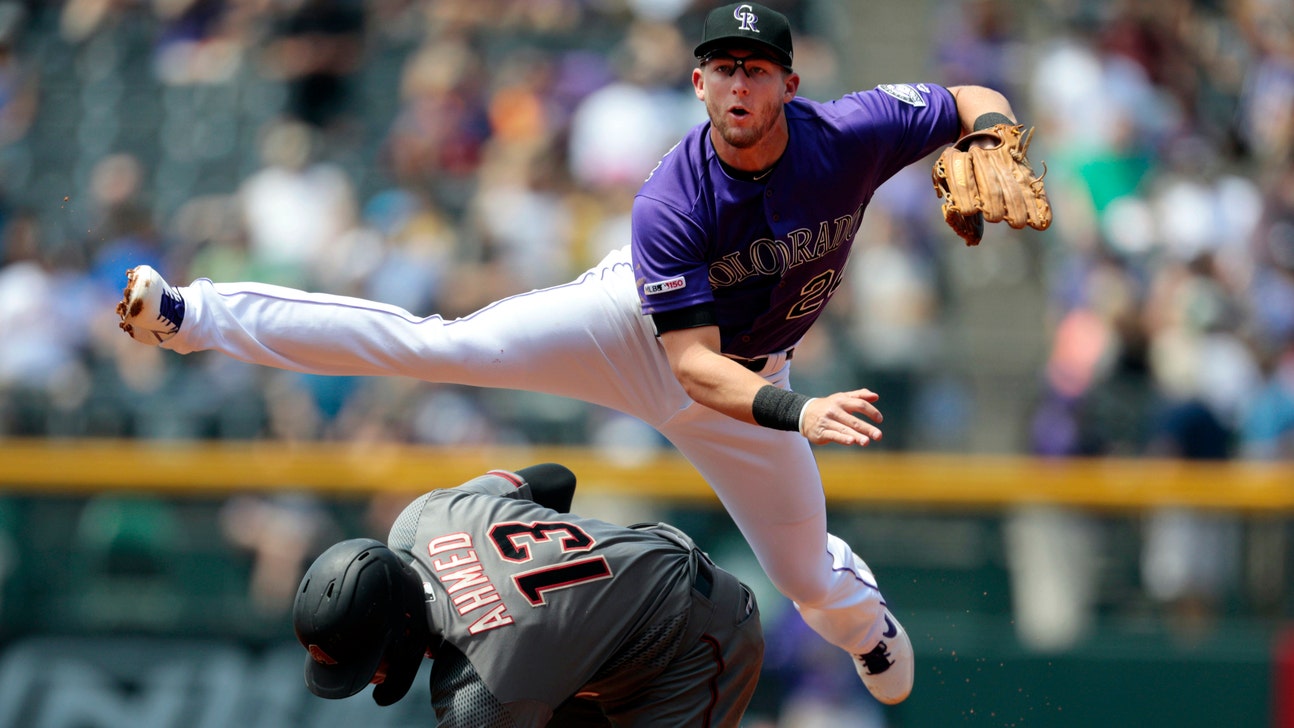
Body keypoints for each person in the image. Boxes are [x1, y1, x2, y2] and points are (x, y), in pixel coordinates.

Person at [118, 2, 1038, 704]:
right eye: (722, 69)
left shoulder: (854, 133)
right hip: (632, 331)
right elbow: (689, 369)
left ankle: (864, 621)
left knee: (808, 580)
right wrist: (801, 414)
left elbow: (967, 97)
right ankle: (192, 313)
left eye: (756, 69)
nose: (739, 87)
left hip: (754, 380)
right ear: (698, 84)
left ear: (790, 85)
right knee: (438, 345)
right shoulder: (674, 198)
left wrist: (993, 134)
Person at [292, 462, 763, 727]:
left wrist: (547, 618)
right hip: (631, 610)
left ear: (401, 629)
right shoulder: (423, 518)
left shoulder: (480, 686)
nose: (373, 677)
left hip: (693, 641)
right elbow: (553, 477)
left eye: (370, 664)